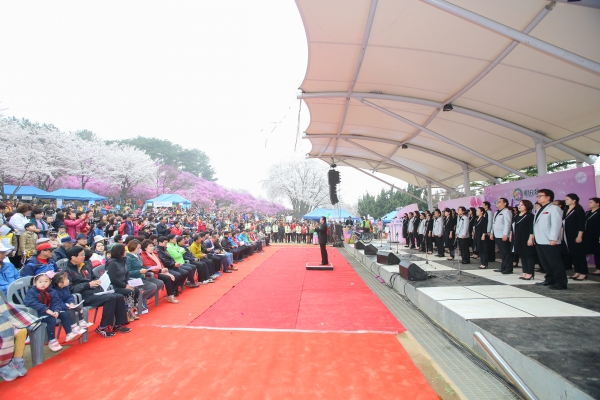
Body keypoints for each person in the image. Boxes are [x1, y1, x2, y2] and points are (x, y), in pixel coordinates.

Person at [63, 245, 130, 337]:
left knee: (119, 296)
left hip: (94, 291)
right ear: (73, 257)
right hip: (82, 296)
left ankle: (119, 323)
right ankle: (103, 327)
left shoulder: (85, 266)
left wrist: (99, 281)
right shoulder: (66, 271)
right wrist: (88, 285)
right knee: (110, 298)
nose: (84, 256)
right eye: (81, 255)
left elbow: (94, 277)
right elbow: (70, 288)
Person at [24, 271, 82, 352]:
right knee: (51, 319)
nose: (43, 284)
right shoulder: (32, 292)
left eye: (46, 281)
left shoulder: (52, 291)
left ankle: (69, 333)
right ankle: (52, 340)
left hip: (51, 311)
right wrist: (46, 309)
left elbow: (56, 302)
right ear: (35, 283)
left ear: (50, 282)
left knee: (64, 314)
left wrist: (56, 310)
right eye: (40, 282)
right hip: (38, 314)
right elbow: (30, 302)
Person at [534, 189, 568, 290]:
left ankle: (560, 282)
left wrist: (553, 238)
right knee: (545, 262)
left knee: (555, 262)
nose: (538, 198)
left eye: (540, 196)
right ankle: (550, 279)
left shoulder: (554, 208)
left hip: (550, 240)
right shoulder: (540, 209)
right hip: (540, 239)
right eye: (538, 196)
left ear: (548, 197)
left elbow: (556, 225)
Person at [105, 244, 141, 322]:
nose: (126, 252)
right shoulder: (112, 263)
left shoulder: (123, 260)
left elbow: (127, 273)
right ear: (120, 252)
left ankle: (131, 310)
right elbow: (112, 279)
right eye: (124, 251)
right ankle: (128, 312)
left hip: (124, 284)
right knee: (130, 292)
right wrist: (125, 286)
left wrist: (128, 283)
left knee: (136, 290)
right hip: (115, 286)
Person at [125, 240, 160, 313]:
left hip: (141, 277)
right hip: (134, 279)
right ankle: (139, 301)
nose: (139, 250)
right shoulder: (128, 258)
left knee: (159, 283)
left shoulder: (138, 256)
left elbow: (141, 266)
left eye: (140, 248)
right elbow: (128, 272)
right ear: (133, 248)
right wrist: (139, 271)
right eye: (138, 248)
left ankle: (143, 299)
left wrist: (149, 268)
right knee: (152, 286)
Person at [563, 193, 587, 281]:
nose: (566, 201)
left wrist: (579, 235)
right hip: (568, 235)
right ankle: (577, 271)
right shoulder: (567, 210)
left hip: (576, 234)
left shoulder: (578, 210)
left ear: (574, 200)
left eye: (568, 199)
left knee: (579, 254)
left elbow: (581, 224)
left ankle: (583, 272)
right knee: (573, 253)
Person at [511, 200, 536, 280]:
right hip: (518, 238)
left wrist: (531, 238)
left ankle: (530, 272)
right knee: (522, 255)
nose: (519, 206)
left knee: (528, 255)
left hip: (527, 237)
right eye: (519, 205)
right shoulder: (517, 216)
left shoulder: (530, 216)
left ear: (527, 206)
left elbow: (532, 228)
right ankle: (524, 271)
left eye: (522, 205)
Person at [491, 198, 513, 274]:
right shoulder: (496, 212)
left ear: (505, 203)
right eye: (497, 202)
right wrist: (492, 233)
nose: (498, 203)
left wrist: (505, 234)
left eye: (500, 202)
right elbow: (493, 224)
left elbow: (507, 224)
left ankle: (508, 268)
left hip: (503, 235)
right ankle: (503, 266)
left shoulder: (506, 212)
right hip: (497, 234)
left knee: (506, 252)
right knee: (502, 253)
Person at [586, 198, 600, 275]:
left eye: (591, 202)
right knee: (594, 251)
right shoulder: (587, 213)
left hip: (597, 234)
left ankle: (599, 268)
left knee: (598, 251)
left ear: (597, 204)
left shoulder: (598, 213)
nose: (589, 204)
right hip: (589, 235)